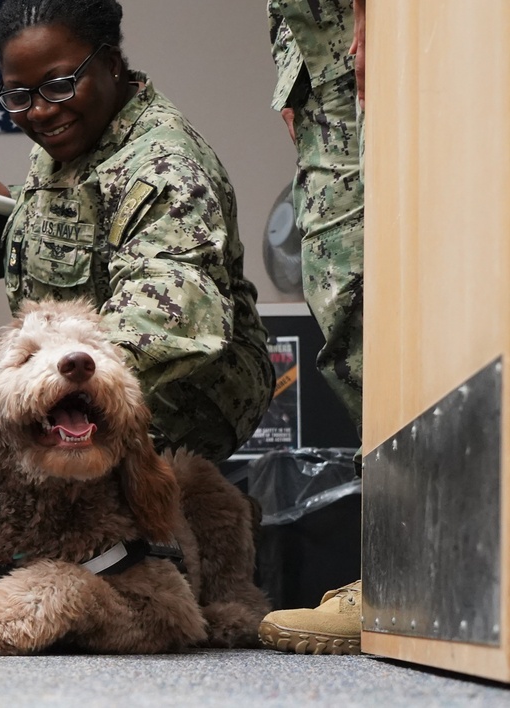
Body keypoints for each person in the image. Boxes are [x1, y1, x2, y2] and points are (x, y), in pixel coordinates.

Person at [0, 0, 275, 466]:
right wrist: (13, 202)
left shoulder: (164, 167)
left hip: (196, 384)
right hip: (86, 358)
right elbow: (93, 215)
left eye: (57, 86)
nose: (39, 112)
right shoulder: (80, 138)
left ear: (111, 64)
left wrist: (42, 378)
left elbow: (170, 320)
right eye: (18, 96)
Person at [258, 0, 366, 656]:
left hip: (357, 68)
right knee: (352, 319)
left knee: (371, 317)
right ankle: (405, 571)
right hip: (321, 76)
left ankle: (407, 579)